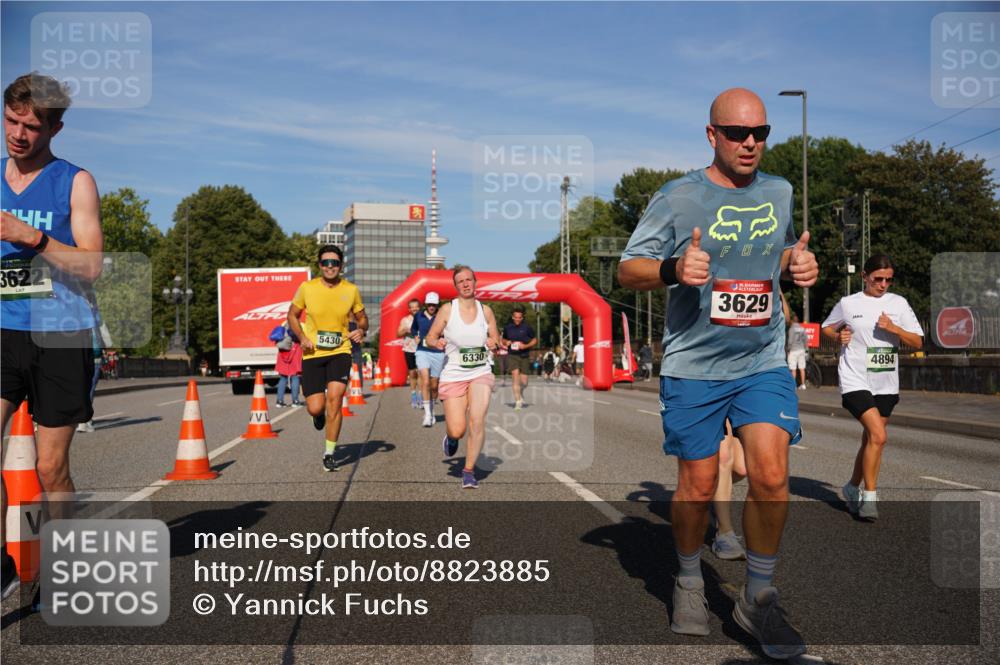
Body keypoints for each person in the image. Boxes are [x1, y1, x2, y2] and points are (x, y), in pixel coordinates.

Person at [617, 88, 817, 659]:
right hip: (695, 364)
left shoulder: (779, 191)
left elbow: (772, 254)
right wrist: (674, 268)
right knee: (700, 485)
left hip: (762, 359)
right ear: (712, 135)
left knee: (772, 476)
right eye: (736, 133)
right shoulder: (678, 197)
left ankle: (758, 596)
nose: (750, 143)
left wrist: (796, 262)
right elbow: (629, 270)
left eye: (760, 133)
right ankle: (686, 579)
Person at [1, 73, 104, 604]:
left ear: (54, 128)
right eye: (12, 121)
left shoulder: (74, 181)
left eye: (31, 126)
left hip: (61, 334)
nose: (18, 135)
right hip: (3, 331)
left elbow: (91, 266)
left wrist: (31, 236)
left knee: (49, 466)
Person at [821, 253, 923, 522]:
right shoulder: (848, 303)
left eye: (888, 279)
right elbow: (827, 329)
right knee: (878, 436)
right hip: (855, 378)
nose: (883, 284)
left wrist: (894, 328)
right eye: (878, 279)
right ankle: (870, 497)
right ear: (864, 276)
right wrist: (839, 334)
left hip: (885, 381)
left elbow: (917, 342)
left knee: (871, 439)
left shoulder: (898, 303)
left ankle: (852, 487)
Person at [287, 245, 366, 472]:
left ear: (341, 265)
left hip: (340, 351)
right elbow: (292, 314)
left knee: (335, 399)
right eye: (325, 262)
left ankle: (329, 453)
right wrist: (301, 336)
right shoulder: (307, 288)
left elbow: (362, 319)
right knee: (315, 407)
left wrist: (361, 330)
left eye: (334, 262)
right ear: (319, 265)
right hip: (312, 352)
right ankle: (317, 415)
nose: (330, 266)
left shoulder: (350, 290)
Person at [425, 266, 500, 489]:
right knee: (457, 429)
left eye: (469, 280)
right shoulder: (448, 310)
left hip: (480, 372)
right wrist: (435, 342)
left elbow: (496, 337)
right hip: (454, 374)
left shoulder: (486, 311)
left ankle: (469, 470)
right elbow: (430, 336)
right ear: (456, 286)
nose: (466, 284)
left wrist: (493, 342)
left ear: (476, 282)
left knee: (477, 419)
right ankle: (451, 438)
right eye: (461, 281)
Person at [411, 291, 445, 427]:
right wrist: (415, 336)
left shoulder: (441, 316)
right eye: (429, 304)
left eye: (434, 305)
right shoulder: (418, 316)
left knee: (434, 386)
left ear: (437, 305)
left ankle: (431, 409)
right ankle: (427, 415)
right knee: (425, 381)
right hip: (422, 351)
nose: (431, 307)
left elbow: (448, 331)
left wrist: (444, 338)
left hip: (437, 352)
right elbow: (414, 329)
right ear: (426, 304)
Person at [501, 305, 537, 409]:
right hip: (512, 355)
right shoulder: (508, 328)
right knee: (515, 376)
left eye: (519, 317)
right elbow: (503, 340)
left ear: (522, 317)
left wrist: (525, 345)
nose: (517, 319)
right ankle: (517, 401)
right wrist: (506, 342)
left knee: (524, 382)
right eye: (515, 317)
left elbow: (534, 340)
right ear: (512, 317)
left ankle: (521, 392)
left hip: (524, 355)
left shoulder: (527, 328)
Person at [397, 298, 422, 408]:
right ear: (409, 309)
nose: (414, 309)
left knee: (421, 373)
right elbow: (398, 333)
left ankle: (421, 396)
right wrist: (405, 330)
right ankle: (413, 396)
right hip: (409, 349)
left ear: (419, 307)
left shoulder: (423, 318)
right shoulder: (405, 320)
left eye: (416, 306)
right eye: (412, 307)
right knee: (412, 374)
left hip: (421, 349)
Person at [273, 325, 303, 408]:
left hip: (283, 353)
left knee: (283, 377)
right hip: (295, 351)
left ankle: (279, 401)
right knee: (295, 377)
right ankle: (295, 401)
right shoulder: (296, 324)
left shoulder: (283, 326)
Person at [786, 310, 809, 390]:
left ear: (792, 321)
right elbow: (806, 340)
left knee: (793, 369)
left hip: (793, 350)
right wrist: (806, 349)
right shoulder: (802, 328)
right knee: (802, 368)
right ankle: (803, 384)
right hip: (801, 349)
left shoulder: (791, 329)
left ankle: (794, 385)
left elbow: (790, 341)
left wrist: (788, 350)